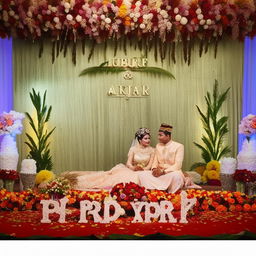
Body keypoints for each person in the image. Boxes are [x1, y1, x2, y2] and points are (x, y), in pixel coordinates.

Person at [61, 128, 155, 190]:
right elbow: (128, 163)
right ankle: (74, 180)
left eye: (149, 138)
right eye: (146, 138)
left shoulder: (152, 150)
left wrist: (142, 170)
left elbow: (150, 165)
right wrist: (134, 168)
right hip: (132, 170)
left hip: (144, 172)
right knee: (106, 178)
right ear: (139, 139)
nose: (148, 140)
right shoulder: (133, 149)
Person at [138, 123, 201, 193]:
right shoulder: (158, 145)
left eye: (160, 135)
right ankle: (154, 191)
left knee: (177, 176)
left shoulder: (179, 146)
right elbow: (155, 161)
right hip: (158, 172)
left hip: (171, 172)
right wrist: (154, 169)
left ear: (168, 136)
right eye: (158, 135)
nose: (158, 137)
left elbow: (178, 165)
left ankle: (169, 193)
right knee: (142, 174)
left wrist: (164, 172)